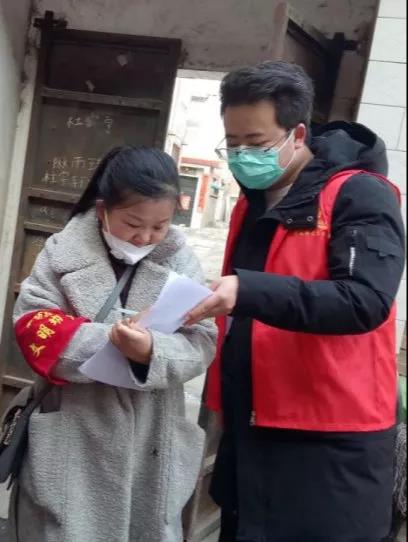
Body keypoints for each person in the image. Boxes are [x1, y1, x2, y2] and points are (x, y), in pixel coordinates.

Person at [187, 61, 406, 541]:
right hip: (250, 423)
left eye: (256, 142)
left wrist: (247, 291)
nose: (242, 156)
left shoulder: (359, 195)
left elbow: (364, 300)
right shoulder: (252, 201)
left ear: (298, 133)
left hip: (327, 437)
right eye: (233, 143)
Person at [10, 146, 217, 542]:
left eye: (159, 226)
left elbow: (203, 339)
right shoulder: (62, 252)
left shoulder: (182, 260)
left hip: (151, 443)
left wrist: (152, 352)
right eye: (133, 223)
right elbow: (31, 322)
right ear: (104, 209)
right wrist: (107, 341)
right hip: (73, 435)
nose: (145, 237)